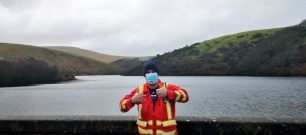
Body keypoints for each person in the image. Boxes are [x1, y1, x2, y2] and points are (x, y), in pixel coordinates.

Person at [119, 61, 189, 135]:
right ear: (144, 75)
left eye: (153, 71)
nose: (150, 74)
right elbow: (122, 107)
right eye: (148, 72)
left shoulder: (168, 87)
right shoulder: (139, 91)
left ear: (157, 74)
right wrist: (132, 101)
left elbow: (185, 96)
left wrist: (168, 93)